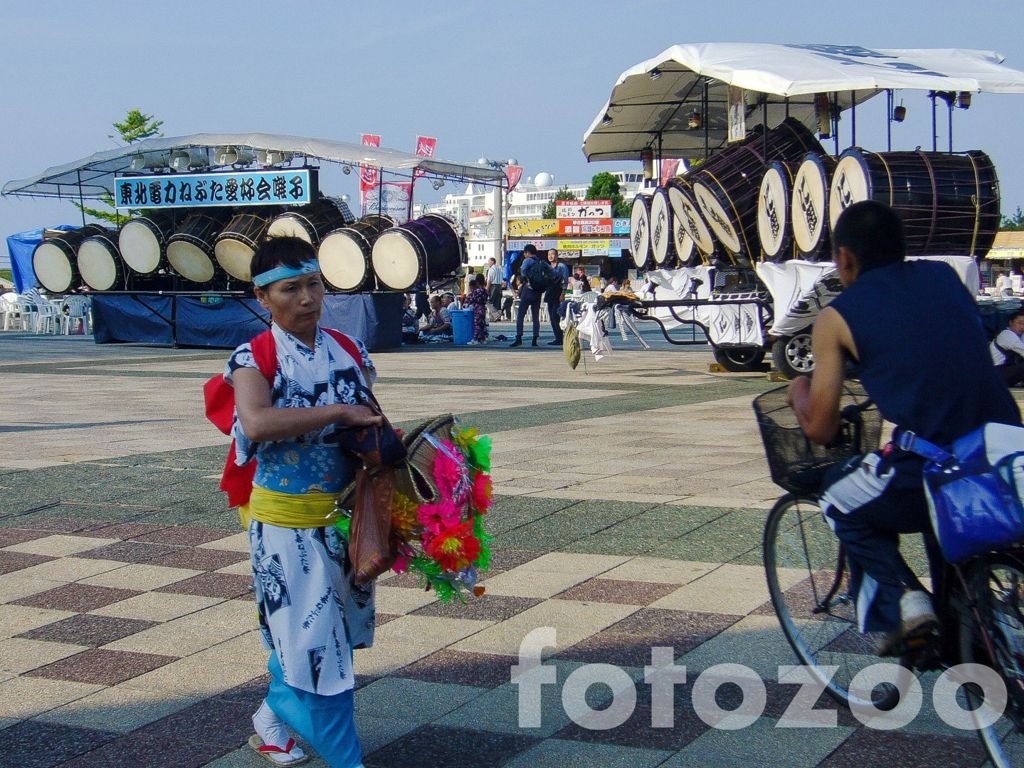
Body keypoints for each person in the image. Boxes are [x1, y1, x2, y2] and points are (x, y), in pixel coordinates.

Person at [787, 200, 1021, 656]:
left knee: (838, 497)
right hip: (1005, 445)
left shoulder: (836, 317)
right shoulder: (943, 277)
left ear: (844, 258)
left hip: (940, 463)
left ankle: (908, 602)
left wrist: (800, 390)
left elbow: (820, 427)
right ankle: (964, 641)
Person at [226, 236, 382, 768]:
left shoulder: (349, 348)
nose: (307, 297)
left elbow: (368, 425)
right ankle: (347, 761)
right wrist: (337, 413)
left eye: (313, 284)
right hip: (285, 528)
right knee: (319, 652)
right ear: (262, 297)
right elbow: (257, 422)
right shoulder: (254, 355)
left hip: (343, 522)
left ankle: (271, 722)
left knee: (320, 635)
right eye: (290, 288)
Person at [510, 244, 542, 347]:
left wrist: (525, 280)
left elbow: (523, 271)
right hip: (537, 291)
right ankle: (535, 339)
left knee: (520, 315)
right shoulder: (540, 261)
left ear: (527, 252)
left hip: (528, 290)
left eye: (524, 253)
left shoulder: (527, 260)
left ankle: (519, 337)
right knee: (535, 316)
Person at [991, 309, 1024, 386]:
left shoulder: (1021, 336)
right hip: (996, 373)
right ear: (1010, 323)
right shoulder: (1006, 335)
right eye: (1020, 323)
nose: (1022, 327)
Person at [544, 249, 569, 346]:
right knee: (551, 316)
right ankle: (557, 337)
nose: (550, 256)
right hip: (549, 292)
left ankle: (560, 337)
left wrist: (563, 293)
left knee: (556, 315)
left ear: (557, 255)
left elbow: (565, 281)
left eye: (553, 254)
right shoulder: (547, 267)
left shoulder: (562, 266)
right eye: (549, 254)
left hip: (558, 292)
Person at [464, 273, 490, 344]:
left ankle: (475, 339)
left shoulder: (477, 291)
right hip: (483, 308)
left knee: (477, 324)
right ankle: (483, 339)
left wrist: (467, 302)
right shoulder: (485, 291)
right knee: (482, 324)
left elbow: (471, 298)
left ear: (477, 282)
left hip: (477, 308)